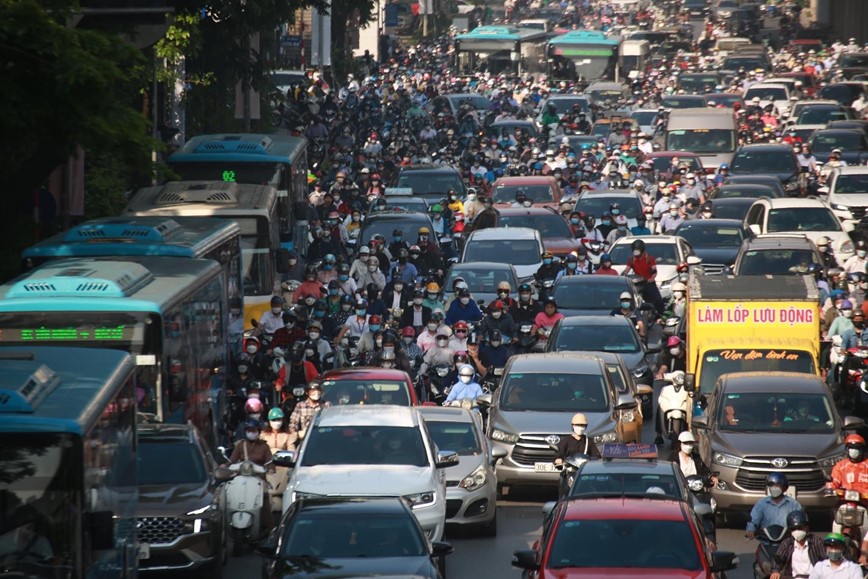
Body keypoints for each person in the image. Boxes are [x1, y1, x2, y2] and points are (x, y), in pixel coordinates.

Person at [226, 418, 274, 529]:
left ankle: (270, 529)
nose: (251, 432)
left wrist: (270, 469)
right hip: (241, 479)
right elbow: (232, 460)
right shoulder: (240, 445)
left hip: (259, 480)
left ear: (258, 431)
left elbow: (269, 463)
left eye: (254, 430)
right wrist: (224, 465)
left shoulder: (264, 447)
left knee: (265, 501)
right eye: (249, 430)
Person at [829, 434, 868, 560]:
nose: (854, 451)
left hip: (863, 505)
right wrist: (830, 488)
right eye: (851, 447)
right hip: (844, 504)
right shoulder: (840, 466)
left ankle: (864, 553)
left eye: (856, 448)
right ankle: (834, 547)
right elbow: (834, 482)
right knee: (836, 524)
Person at [746, 473, 804, 540]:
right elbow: (753, 520)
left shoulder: (793, 504)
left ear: (784, 488)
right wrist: (751, 530)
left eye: (777, 485)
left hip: (787, 543)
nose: (774, 488)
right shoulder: (762, 504)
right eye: (772, 485)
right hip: (766, 542)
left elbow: (801, 522)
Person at [770, 511, 826, 579]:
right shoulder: (787, 543)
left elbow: (826, 560)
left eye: (800, 528)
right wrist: (775, 571)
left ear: (806, 527)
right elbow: (777, 558)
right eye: (793, 529)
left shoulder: (817, 542)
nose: (797, 531)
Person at [622, 238, 664, 314]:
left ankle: (660, 315)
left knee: (658, 300)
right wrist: (623, 276)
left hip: (648, 283)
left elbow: (654, 271)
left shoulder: (649, 258)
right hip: (637, 284)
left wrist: (651, 279)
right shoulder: (632, 260)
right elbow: (626, 270)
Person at [287, 381, 327, 450]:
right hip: (305, 440)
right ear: (307, 392)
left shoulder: (326, 405)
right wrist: (298, 434)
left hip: (322, 438)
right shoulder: (300, 405)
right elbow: (292, 424)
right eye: (312, 391)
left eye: (318, 391)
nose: (316, 393)